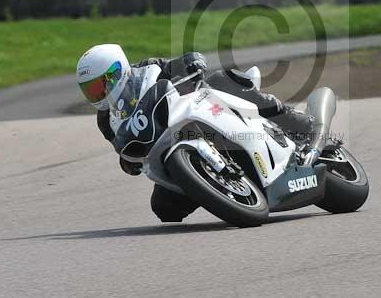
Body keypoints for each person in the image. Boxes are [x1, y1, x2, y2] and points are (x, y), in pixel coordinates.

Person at [75, 44, 314, 223]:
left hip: (197, 112)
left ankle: (292, 120)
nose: (99, 93)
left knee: (222, 79)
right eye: (91, 90)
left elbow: (179, 63)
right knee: (164, 209)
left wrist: (192, 61)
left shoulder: (147, 68)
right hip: (165, 148)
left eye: (100, 85)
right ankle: (213, 189)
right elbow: (122, 149)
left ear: (117, 72)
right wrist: (129, 162)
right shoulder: (106, 120)